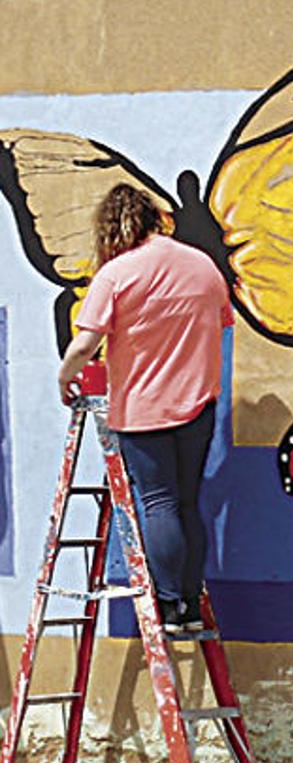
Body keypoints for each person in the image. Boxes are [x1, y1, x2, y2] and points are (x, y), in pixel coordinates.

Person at [56, 183, 232, 634]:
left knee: (158, 503)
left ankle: (169, 604)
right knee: (188, 503)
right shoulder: (203, 266)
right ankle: (189, 604)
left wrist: (64, 376)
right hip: (199, 405)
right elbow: (221, 322)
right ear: (157, 219)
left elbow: (85, 344)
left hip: (142, 410)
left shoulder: (117, 274)